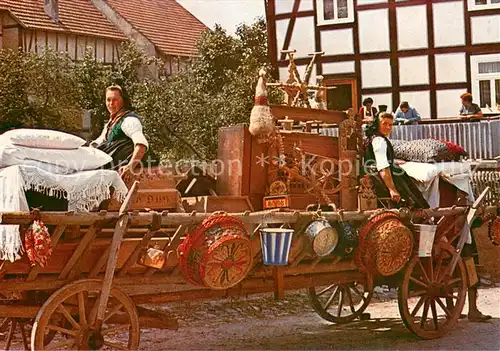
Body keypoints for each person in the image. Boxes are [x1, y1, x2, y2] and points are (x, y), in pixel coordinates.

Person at [364, 112, 429, 209]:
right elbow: (382, 166)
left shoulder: (374, 137)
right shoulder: (379, 141)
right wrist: (392, 189)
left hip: (374, 170)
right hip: (379, 175)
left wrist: (393, 161)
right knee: (411, 196)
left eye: (390, 125)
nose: (388, 127)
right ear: (377, 124)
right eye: (384, 124)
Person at [90, 85, 154, 180]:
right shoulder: (111, 123)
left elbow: (141, 144)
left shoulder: (129, 120)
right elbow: (99, 141)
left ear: (123, 101)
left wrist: (130, 166)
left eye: (115, 100)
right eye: (108, 100)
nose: (111, 103)